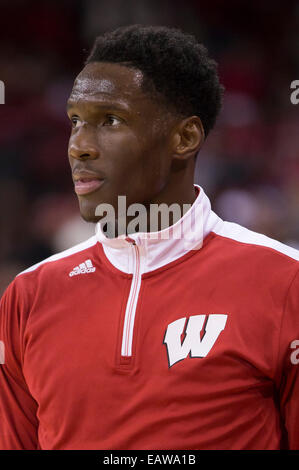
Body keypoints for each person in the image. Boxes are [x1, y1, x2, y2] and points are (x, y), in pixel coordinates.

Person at [0, 24, 298, 450]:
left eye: (110, 120)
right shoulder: (28, 297)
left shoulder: (285, 283)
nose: (79, 146)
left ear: (185, 137)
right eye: (76, 121)